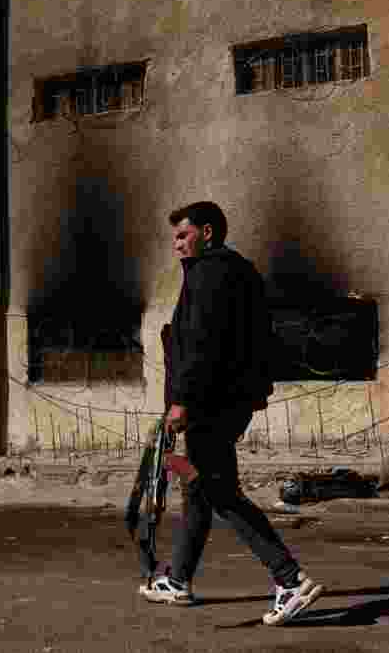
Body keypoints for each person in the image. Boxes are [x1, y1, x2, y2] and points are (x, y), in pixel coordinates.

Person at [138, 201, 324, 626]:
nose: (176, 245)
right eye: (174, 238)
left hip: (210, 401)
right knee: (199, 488)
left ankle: (289, 579)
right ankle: (179, 579)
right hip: (226, 399)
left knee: (218, 490)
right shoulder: (235, 271)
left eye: (183, 235)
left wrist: (181, 400)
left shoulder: (210, 274)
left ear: (207, 232)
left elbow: (202, 345)